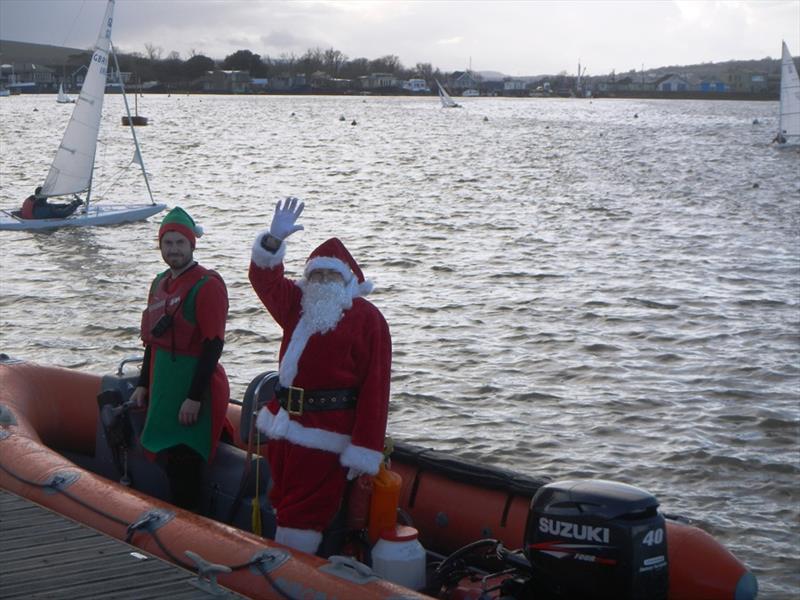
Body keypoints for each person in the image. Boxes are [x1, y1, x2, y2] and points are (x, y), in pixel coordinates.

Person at [250, 197, 391, 555]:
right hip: (283, 427)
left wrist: (365, 451)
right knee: (283, 500)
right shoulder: (297, 306)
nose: (323, 281)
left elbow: (376, 389)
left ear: (348, 280)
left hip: (326, 436)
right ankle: (285, 563)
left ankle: (290, 572)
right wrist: (273, 241)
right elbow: (265, 281)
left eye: (331, 275)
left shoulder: (366, 318)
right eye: (316, 274)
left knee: (304, 514)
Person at [130, 206, 231, 511]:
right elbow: (152, 341)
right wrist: (142, 383)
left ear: (191, 245)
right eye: (168, 243)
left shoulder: (207, 286)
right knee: (170, 460)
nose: (173, 250)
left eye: (179, 243)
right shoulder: (159, 282)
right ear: (160, 246)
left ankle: (191, 526)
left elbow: (214, 345)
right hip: (164, 387)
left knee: (185, 461)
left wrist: (194, 397)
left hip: (193, 387)